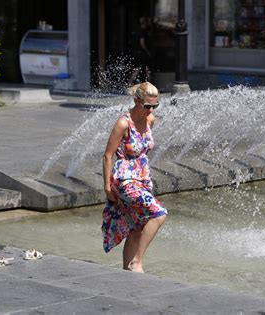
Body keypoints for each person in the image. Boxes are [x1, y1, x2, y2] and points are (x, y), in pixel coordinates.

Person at [102, 82, 167, 273]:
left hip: (143, 180)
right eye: (147, 106)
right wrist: (107, 186)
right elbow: (107, 155)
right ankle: (137, 261)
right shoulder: (124, 123)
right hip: (125, 180)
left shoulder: (150, 121)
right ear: (136, 101)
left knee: (136, 225)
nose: (150, 110)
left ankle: (127, 271)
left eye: (154, 106)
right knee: (158, 213)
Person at [129, 17, 154, 84]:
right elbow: (142, 43)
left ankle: (129, 83)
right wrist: (147, 51)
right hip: (142, 53)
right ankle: (150, 83)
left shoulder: (137, 30)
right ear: (145, 23)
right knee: (147, 68)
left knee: (137, 68)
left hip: (136, 52)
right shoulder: (143, 31)